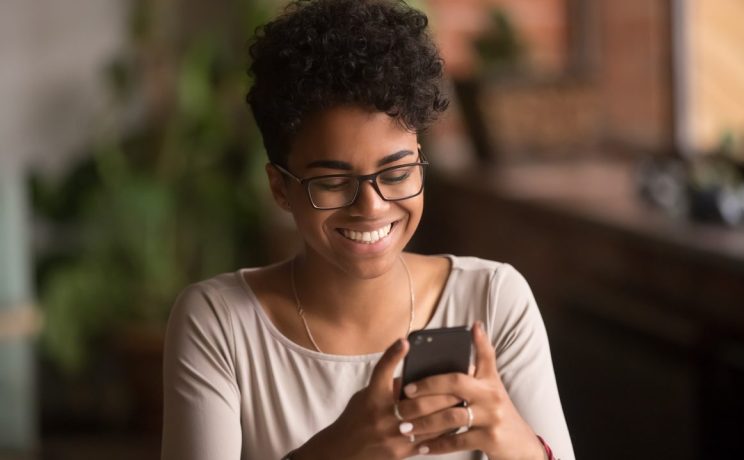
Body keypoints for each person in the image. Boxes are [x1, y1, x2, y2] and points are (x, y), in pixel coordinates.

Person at [161, 0, 575, 459]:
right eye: (334, 182)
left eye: (396, 174)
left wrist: (516, 442)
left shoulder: (494, 300)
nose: (372, 206)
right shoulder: (219, 324)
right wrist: (336, 450)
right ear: (280, 187)